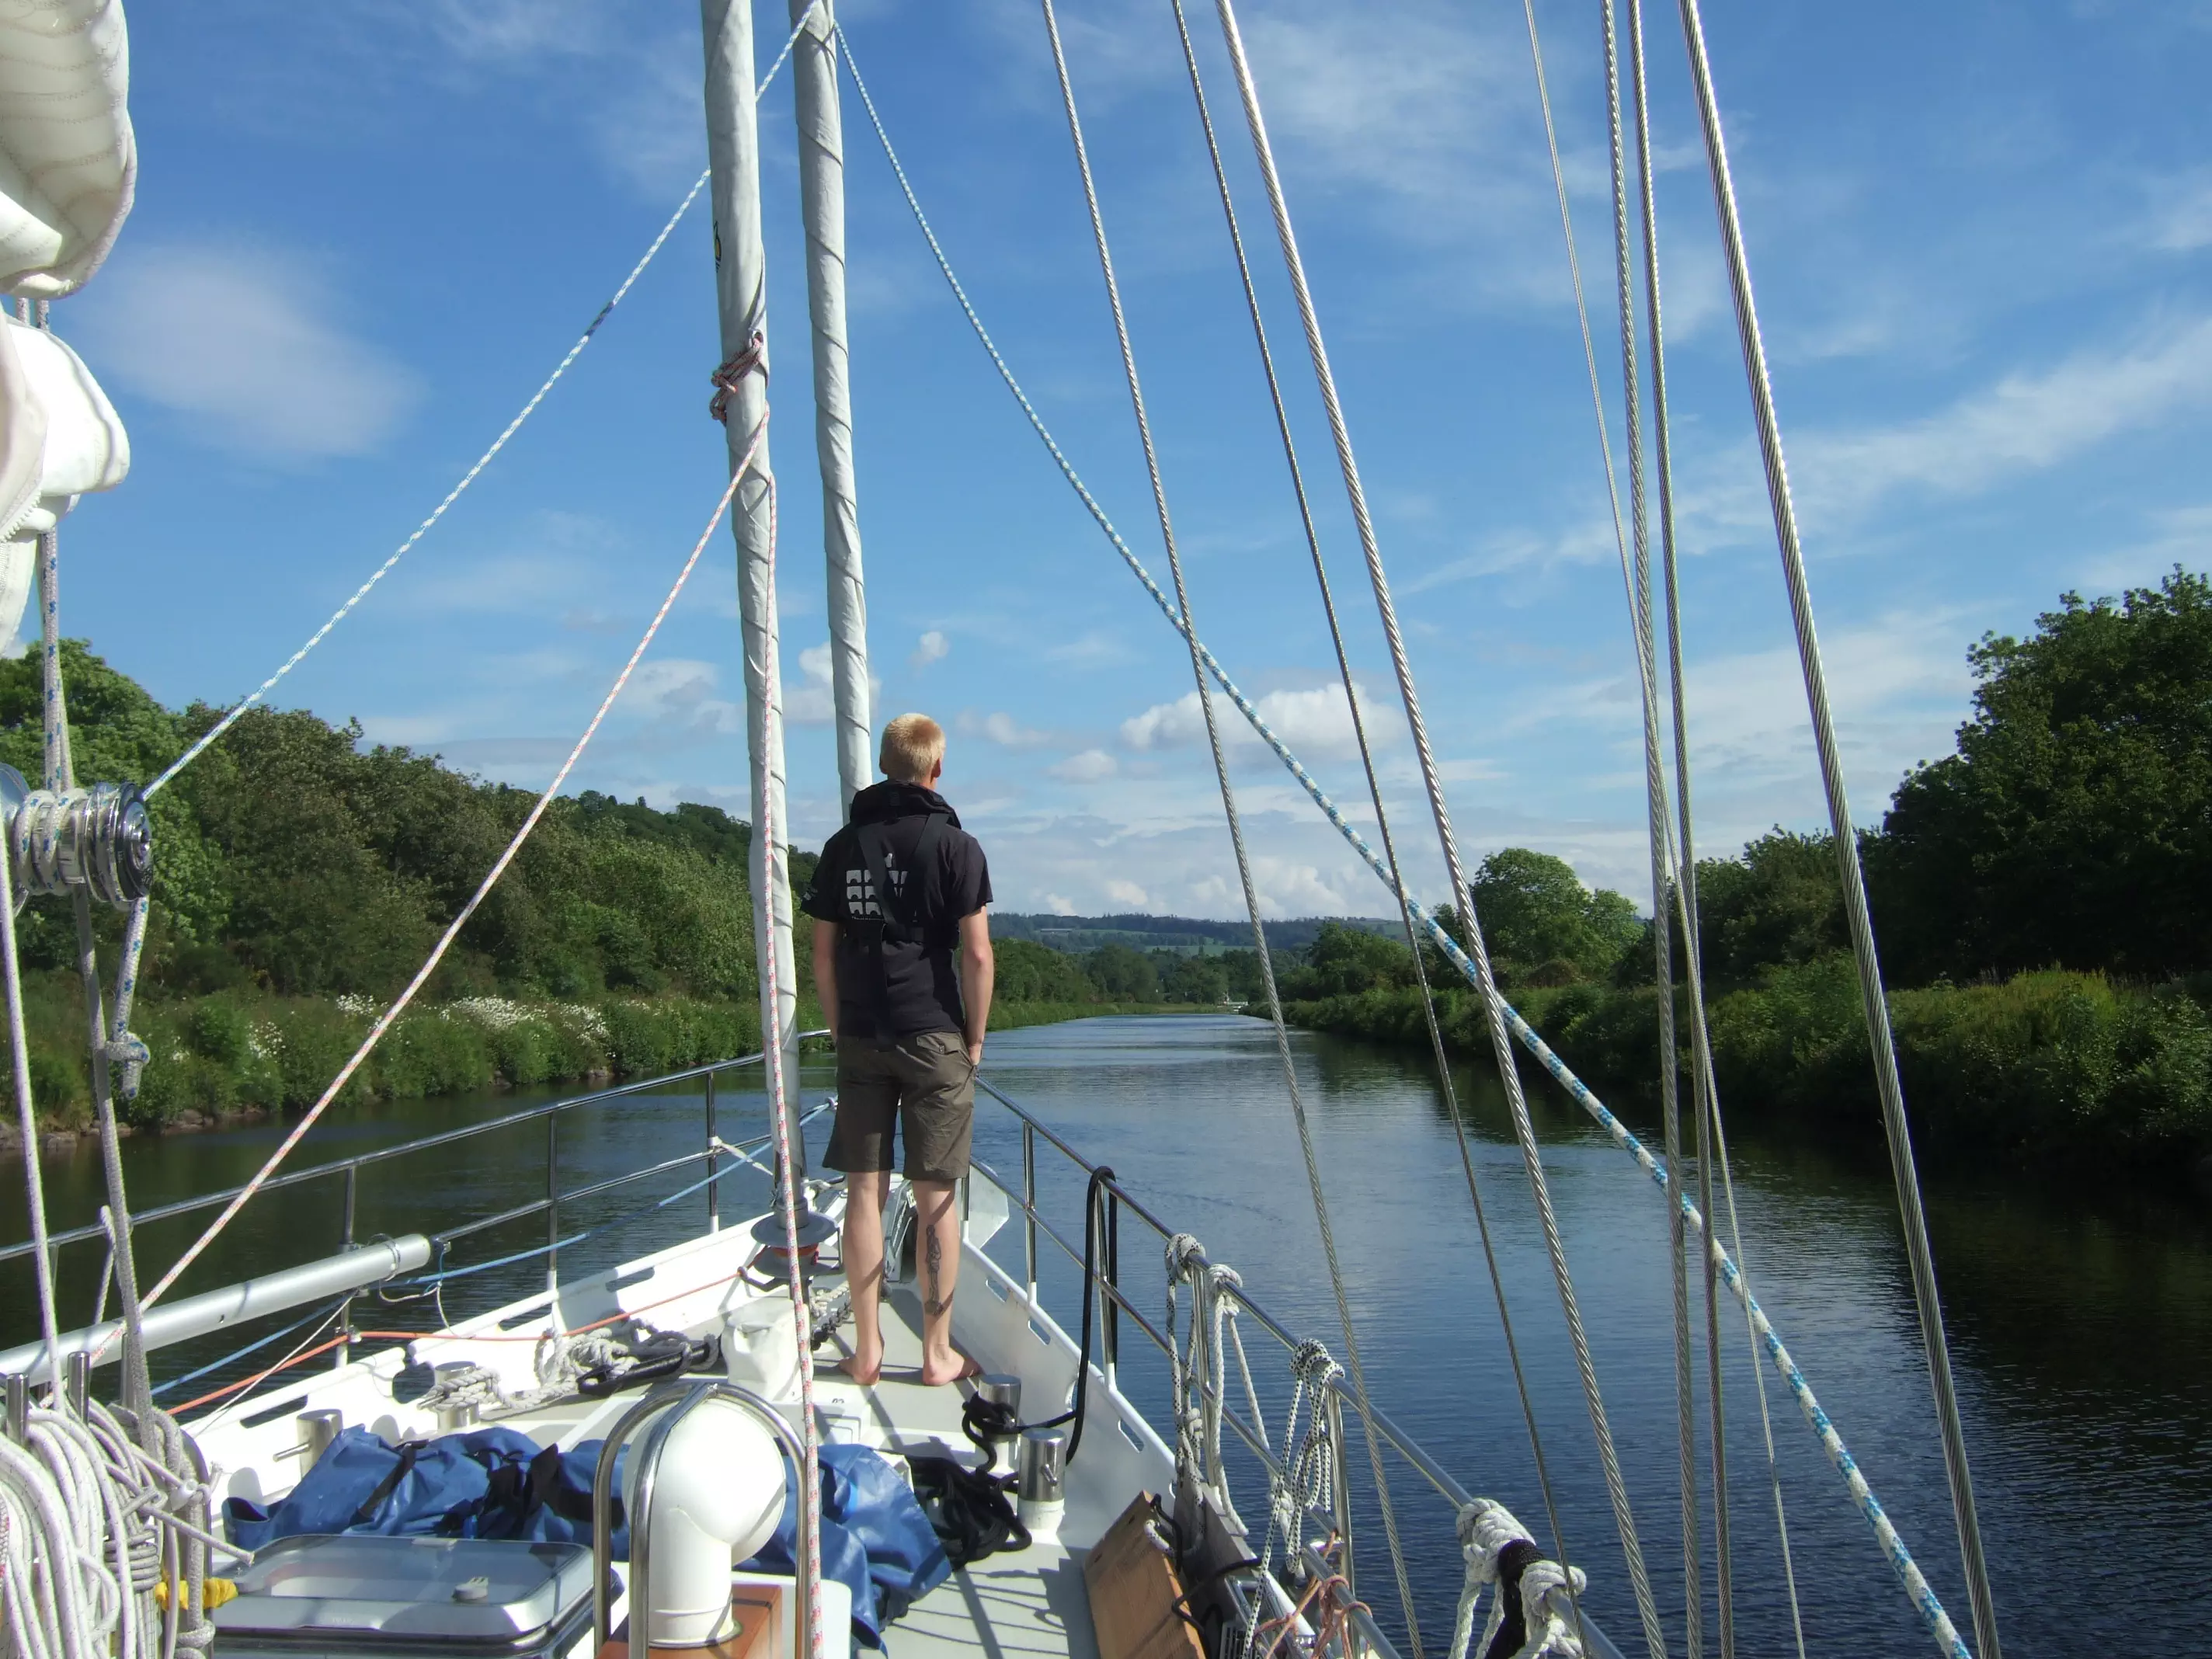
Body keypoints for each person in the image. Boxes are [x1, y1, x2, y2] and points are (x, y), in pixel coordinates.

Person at [801, 713, 994, 1386]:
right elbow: (974, 953)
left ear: (884, 767)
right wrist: (974, 1038)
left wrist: (836, 1025)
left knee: (863, 1192)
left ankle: (867, 1349)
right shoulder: (958, 848)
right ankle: (937, 1353)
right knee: (937, 1198)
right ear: (936, 770)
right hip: (934, 1031)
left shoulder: (840, 845)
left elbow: (823, 954)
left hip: (860, 1033)